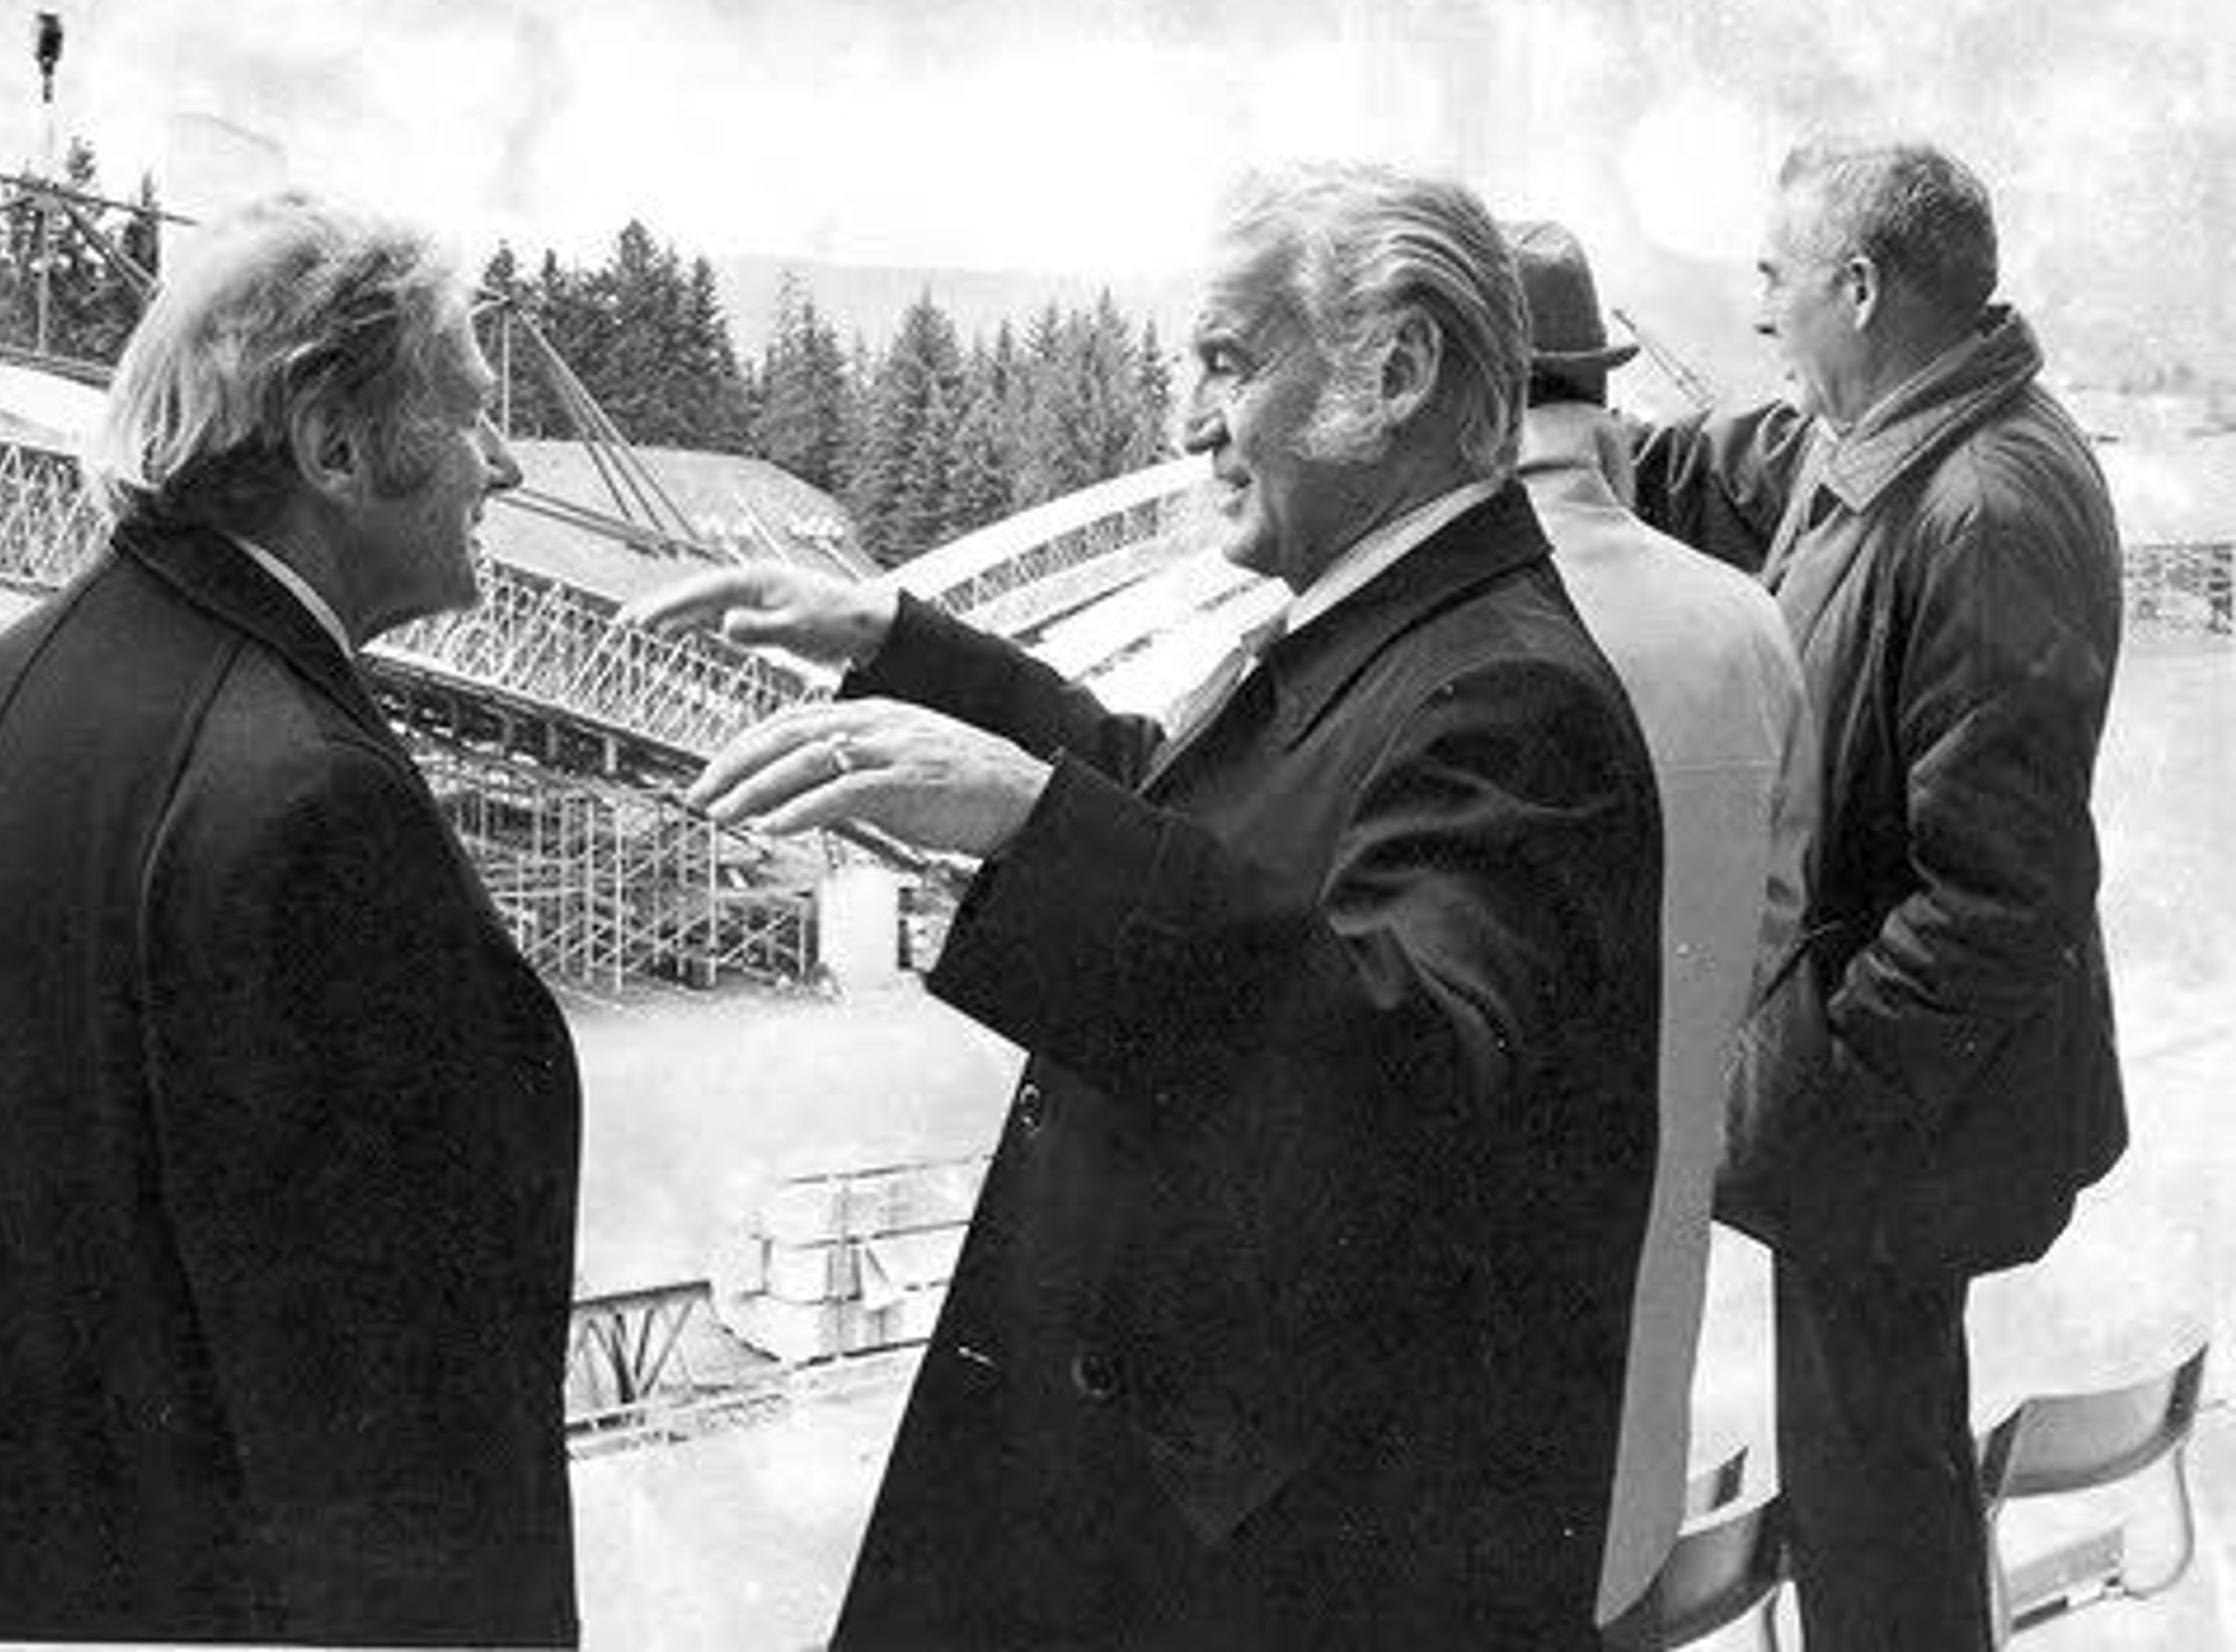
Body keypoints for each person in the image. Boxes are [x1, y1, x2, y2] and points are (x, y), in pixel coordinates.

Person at [635, 165, 1667, 1648]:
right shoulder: (1409, 634)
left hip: (1273, 1568)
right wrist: (914, 651)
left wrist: (1033, 821)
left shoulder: (1507, 698)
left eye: (1229, 365)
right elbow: (1205, 808)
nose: (1186, 419)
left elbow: (1414, 1068)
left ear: (1395, 369)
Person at [0, 195, 583, 1645]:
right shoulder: (313, 804)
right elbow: (396, 1441)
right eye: (471, 414)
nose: (499, 464)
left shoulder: (4, 694)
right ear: (333, 443)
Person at [1632, 142, 2128, 1650]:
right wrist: (1561, 433)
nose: (1761, 307)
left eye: (1778, 276)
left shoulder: (1984, 509)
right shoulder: (1900, 442)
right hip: (1893, 1132)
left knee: (1876, 1505)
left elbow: (1998, 895)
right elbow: (1736, 470)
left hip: (1895, 1138)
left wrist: (1817, 1101)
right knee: (1875, 1476)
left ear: (1859, 288)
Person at [1506, 219, 1816, 1631]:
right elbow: (1773, 912)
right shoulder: (1741, 624)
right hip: (1645, 1253)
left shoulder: (1418, 631)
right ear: (1596, 385)